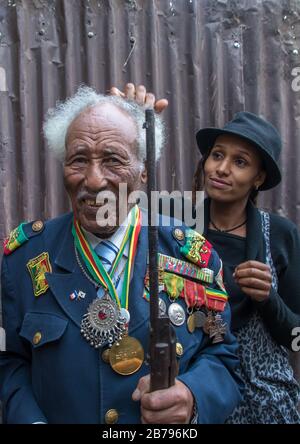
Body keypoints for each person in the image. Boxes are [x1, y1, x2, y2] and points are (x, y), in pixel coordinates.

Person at [0, 86, 243, 424]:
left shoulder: (190, 254)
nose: (95, 180)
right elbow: (11, 362)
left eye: (113, 160)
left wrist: (193, 397)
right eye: (79, 159)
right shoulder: (24, 260)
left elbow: (222, 354)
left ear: (143, 172)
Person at [111, 85, 300, 423]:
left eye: (239, 162)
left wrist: (268, 299)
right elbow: (115, 201)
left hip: (265, 402)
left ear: (258, 178)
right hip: (193, 396)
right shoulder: (175, 222)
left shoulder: (280, 236)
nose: (222, 168)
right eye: (217, 155)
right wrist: (131, 121)